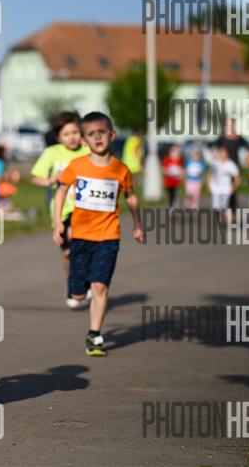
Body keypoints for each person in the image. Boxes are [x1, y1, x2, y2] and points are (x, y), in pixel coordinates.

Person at [52, 112, 144, 356]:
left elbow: (131, 196)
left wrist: (137, 225)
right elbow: (61, 190)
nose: (97, 138)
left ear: (112, 135)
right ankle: (78, 287)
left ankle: (94, 335)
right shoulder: (77, 165)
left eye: (102, 133)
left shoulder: (120, 169)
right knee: (78, 293)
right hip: (81, 237)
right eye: (91, 134)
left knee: (100, 286)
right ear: (84, 140)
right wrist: (58, 223)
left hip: (108, 236)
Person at [30, 112, 90, 281]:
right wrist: (49, 181)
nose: (72, 137)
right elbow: (35, 178)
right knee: (67, 253)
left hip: (85, 207)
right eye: (66, 134)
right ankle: (73, 281)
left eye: (75, 132)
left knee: (80, 244)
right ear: (58, 137)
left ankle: (87, 279)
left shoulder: (88, 150)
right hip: (61, 209)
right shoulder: (52, 152)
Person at [212, 116, 249, 210]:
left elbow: (248, 149)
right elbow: (214, 149)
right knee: (223, 188)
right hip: (223, 166)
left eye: (231, 123)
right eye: (227, 124)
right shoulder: (222, 138)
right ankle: (221, 209)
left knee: (233, 189)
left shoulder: (238, 138)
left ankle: (232, 209)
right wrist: (216, 159)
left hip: (234, 166)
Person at [207, 145, 240, 223]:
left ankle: (224, 219)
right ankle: (219, 218)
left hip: (226, 188)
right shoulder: (214, 163)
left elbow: (237, 177)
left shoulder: (230, 164)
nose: (222, 154)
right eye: (221, 152)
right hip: (215, 187)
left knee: (224, 205)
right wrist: (209, 185)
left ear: (227, 153)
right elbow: (209, 175)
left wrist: (233, 187)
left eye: (224, 152)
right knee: (216, 205)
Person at [162, 144, 184, 209]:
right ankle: (171, 206)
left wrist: (181, 176)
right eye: (174, 151)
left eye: (177, 152)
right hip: (169, 182)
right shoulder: (167, 160)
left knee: (176, 194)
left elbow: (182, 170)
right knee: (170, 195)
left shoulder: (180, 160)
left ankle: (175, 205)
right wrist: (170, 173)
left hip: (177, 182)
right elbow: (164, 170)